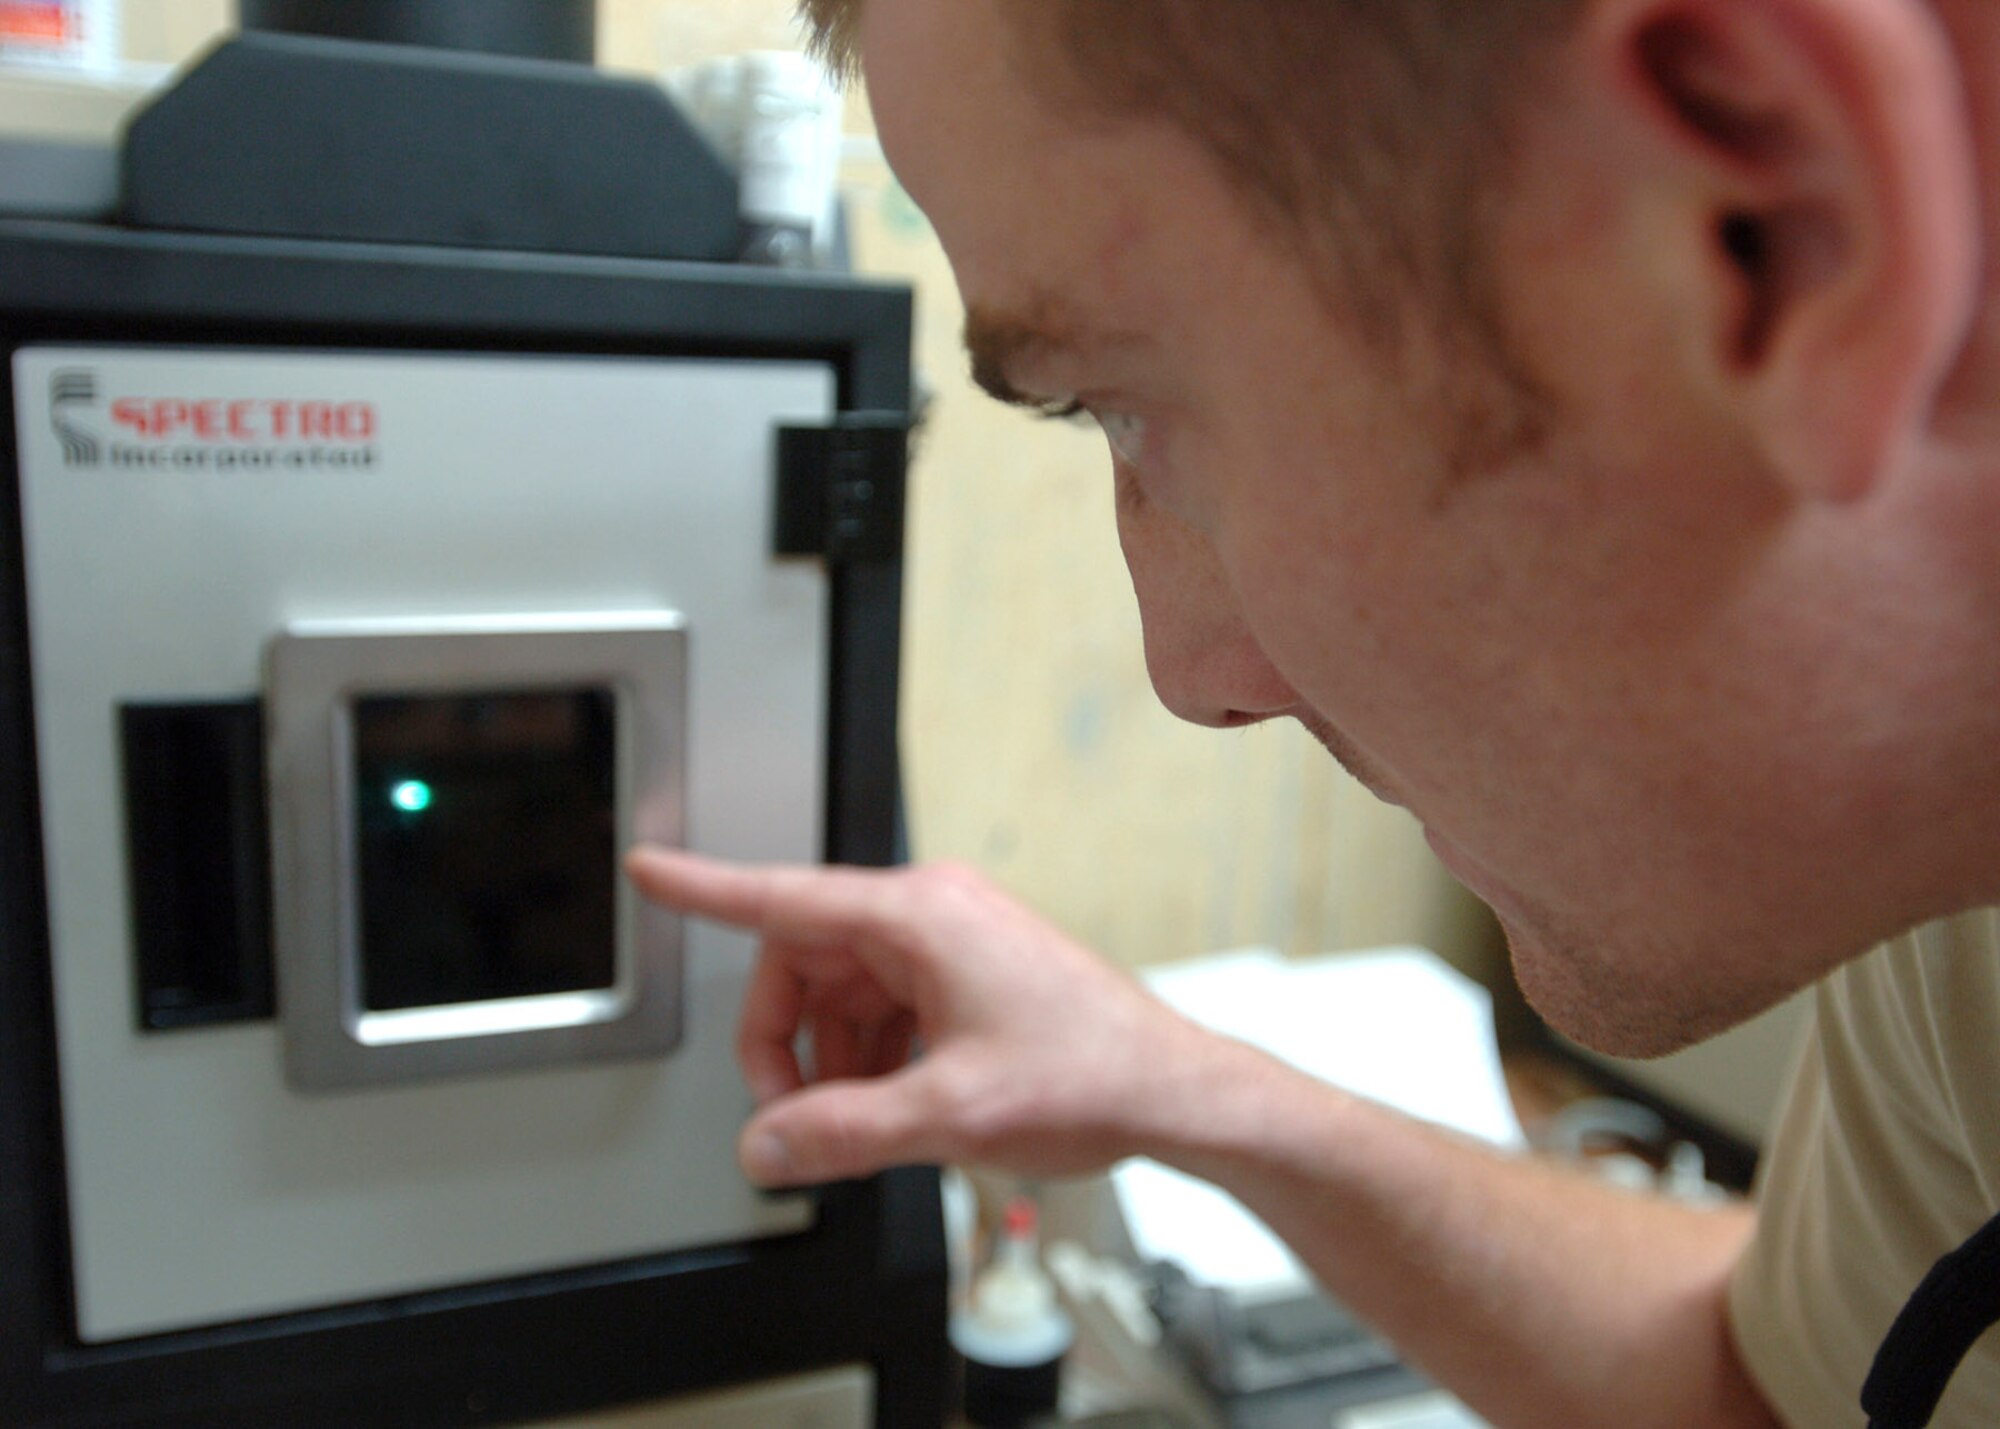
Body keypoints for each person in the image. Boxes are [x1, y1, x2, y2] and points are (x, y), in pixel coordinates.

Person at [626, 1, 2000, 1424]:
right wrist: (1175, 1086)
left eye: (1133, 405)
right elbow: (1755, 1382)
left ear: (1777, 215)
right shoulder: (1951, 897)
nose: (1190, 673)